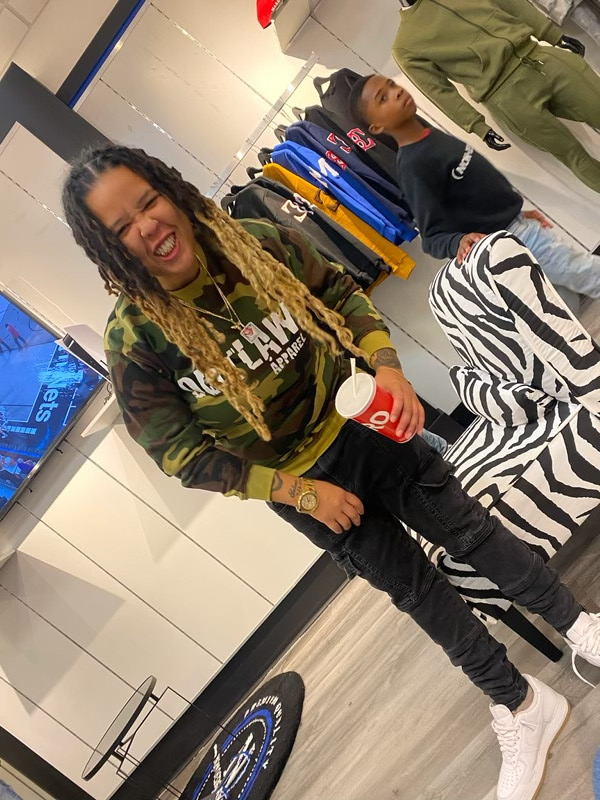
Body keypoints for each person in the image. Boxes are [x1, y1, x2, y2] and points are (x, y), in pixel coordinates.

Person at [63, 144, 600, 800]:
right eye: (122, 226)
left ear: (170, 191)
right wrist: (299, 493)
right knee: (417, 592)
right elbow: (182, 455)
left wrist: (389, 370)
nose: (147, 226)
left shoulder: (253, 243)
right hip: (303, 486)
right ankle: (519, 704)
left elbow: (340, 294)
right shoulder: (135, 339)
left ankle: (582, 628)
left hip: (364, 422)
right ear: (109, 248)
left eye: (148, 202)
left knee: (471, 532)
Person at [349, 74, 600, 313]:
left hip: (518, 228)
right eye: (383, 98)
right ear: (376, 127)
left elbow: (474, 191)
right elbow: (431, 237)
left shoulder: (430, 135)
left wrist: (514, 210)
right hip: (513, 241)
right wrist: (457, 241)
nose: (396, 92)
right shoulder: (414, 165)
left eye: (392, 85)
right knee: (591, 275)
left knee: (565, 306)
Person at [392, 0, 600, 194]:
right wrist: (476, 125)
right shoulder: (405, 46)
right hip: (504, 98)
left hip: (539, 58)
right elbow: (438, 91)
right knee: (575, 156)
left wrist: (552, 34)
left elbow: (513, 4)